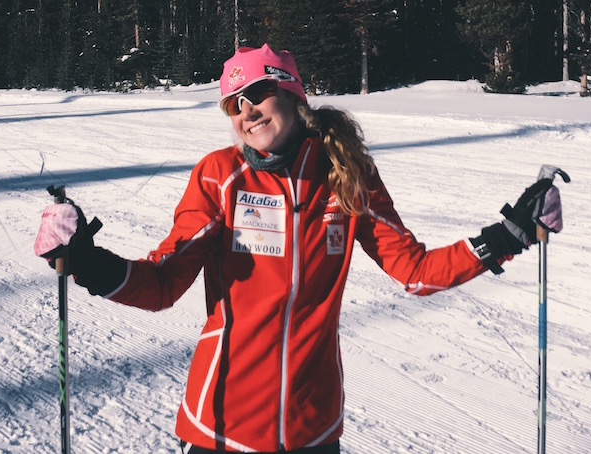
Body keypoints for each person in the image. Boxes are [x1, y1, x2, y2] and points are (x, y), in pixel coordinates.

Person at [34, 44, 563, 454]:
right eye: (232, 104)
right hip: (221, 427)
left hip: (313, 430)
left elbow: (415, 270)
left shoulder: (345, 176)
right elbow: (163, 283)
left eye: (257, 93)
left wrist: (507, 235)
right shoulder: (222, 176)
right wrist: (85, 260)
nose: (246, 111)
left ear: (291, 92)